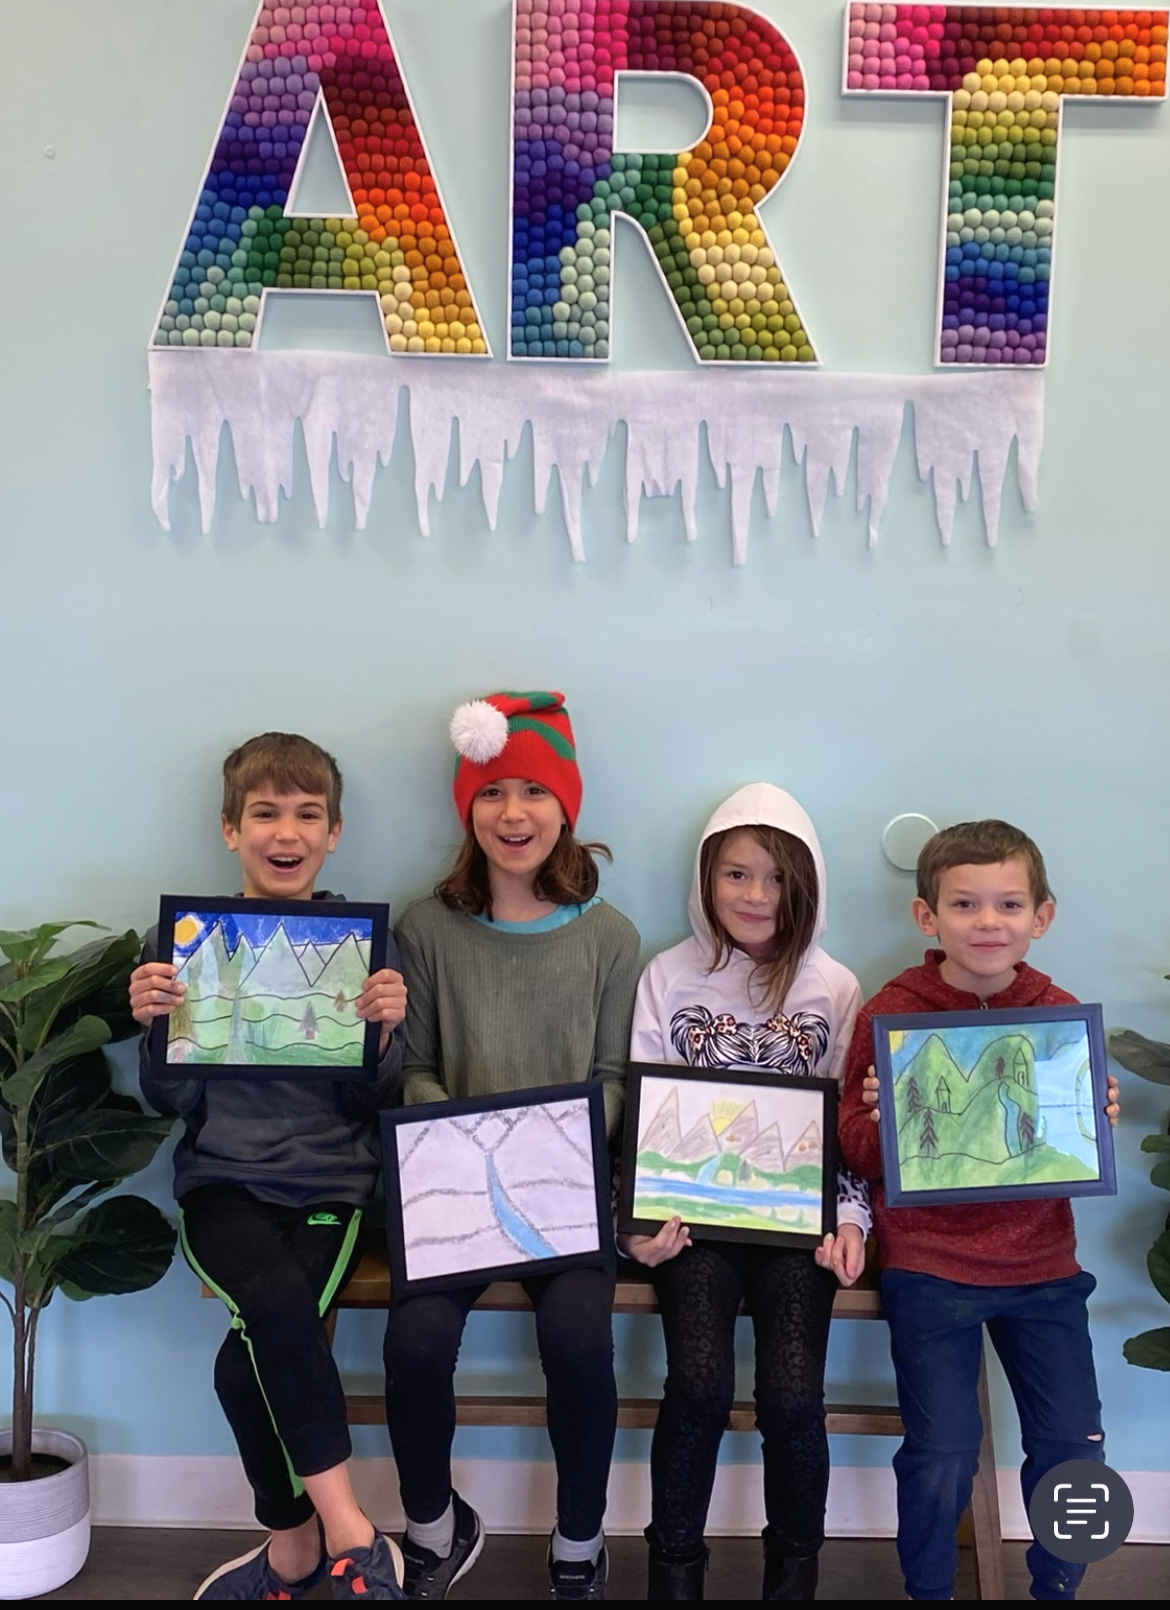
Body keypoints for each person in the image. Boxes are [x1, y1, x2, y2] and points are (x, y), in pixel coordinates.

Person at [131, 732, 408, 1601]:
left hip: (333, 1186)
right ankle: (354, 1535)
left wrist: (385, 1036)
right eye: (264, 813)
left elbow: (376, 1104)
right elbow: (167, 1104)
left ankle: (290, 1551)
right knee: (276, 1307)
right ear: (229, 830)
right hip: (222, 1185)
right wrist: (156, 1024)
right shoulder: (180, 940)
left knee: (237, 1359)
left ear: (332, 833)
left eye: (306, 814)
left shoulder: (365, 945)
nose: (284, 831)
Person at [385, 691, 640, 1602]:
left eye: (535, 792)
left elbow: (615, 1075)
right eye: (493, 793)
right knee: (413, 1344)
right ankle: (431, 1526)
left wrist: (548, 1147)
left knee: (577, 1338)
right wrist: (468, 1142)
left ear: (567, 807)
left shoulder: (611, 939)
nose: (514, 814)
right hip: (451, 1189)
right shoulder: (424, 930)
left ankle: (579, 1540)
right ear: (468, 810)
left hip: (566, 1194)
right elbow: (413, 1069)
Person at [839, 819, 1121, 1604]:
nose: (988, 922)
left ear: (1042, 916)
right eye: (965, 904)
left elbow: (1070, 1148)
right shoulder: (891, 1013)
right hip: (931, 1267)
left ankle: (1058, 1587)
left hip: (1043, 1267)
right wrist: (877, 1123)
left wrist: (1091, 1119)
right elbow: (854, 1148)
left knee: (1075, 1445)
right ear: (928, 917)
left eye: (1007, 904)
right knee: (942, 1451)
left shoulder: (1059, 1013)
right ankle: (926, 1591)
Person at [623, 784, 871, 1601]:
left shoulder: (835, 987)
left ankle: (793, 1577)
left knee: (793, 1398)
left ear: (806, 886)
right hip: (691, 1226)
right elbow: (643, 1120)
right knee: (698, 1385)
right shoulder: (666, 976)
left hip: (797, 1229)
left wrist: (850, 1221)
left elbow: (850, 1133)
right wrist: (640, 1224)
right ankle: (675, 1574)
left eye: (775, 878)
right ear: (707, 879)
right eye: (736, 874)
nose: (755, 896)